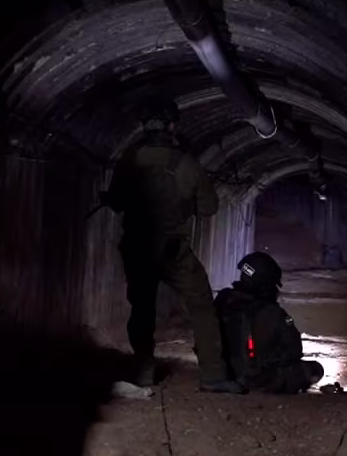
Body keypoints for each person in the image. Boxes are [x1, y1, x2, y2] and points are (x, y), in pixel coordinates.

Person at [101, 101, 244, 394]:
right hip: (173, 250)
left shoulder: (130, 159)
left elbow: (116, 202)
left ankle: (143, 372)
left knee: (142, 310)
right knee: (202, 306)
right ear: (171, 126)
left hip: (138, 248)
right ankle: (213, 375)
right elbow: (209, 207)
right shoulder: (186, 163)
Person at [214, 252, 324, 394]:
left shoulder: (223, 299)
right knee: (315, 369)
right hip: (255, 379)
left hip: (221, 373)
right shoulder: (272, 313)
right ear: (266, 284)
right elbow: (295, 350)